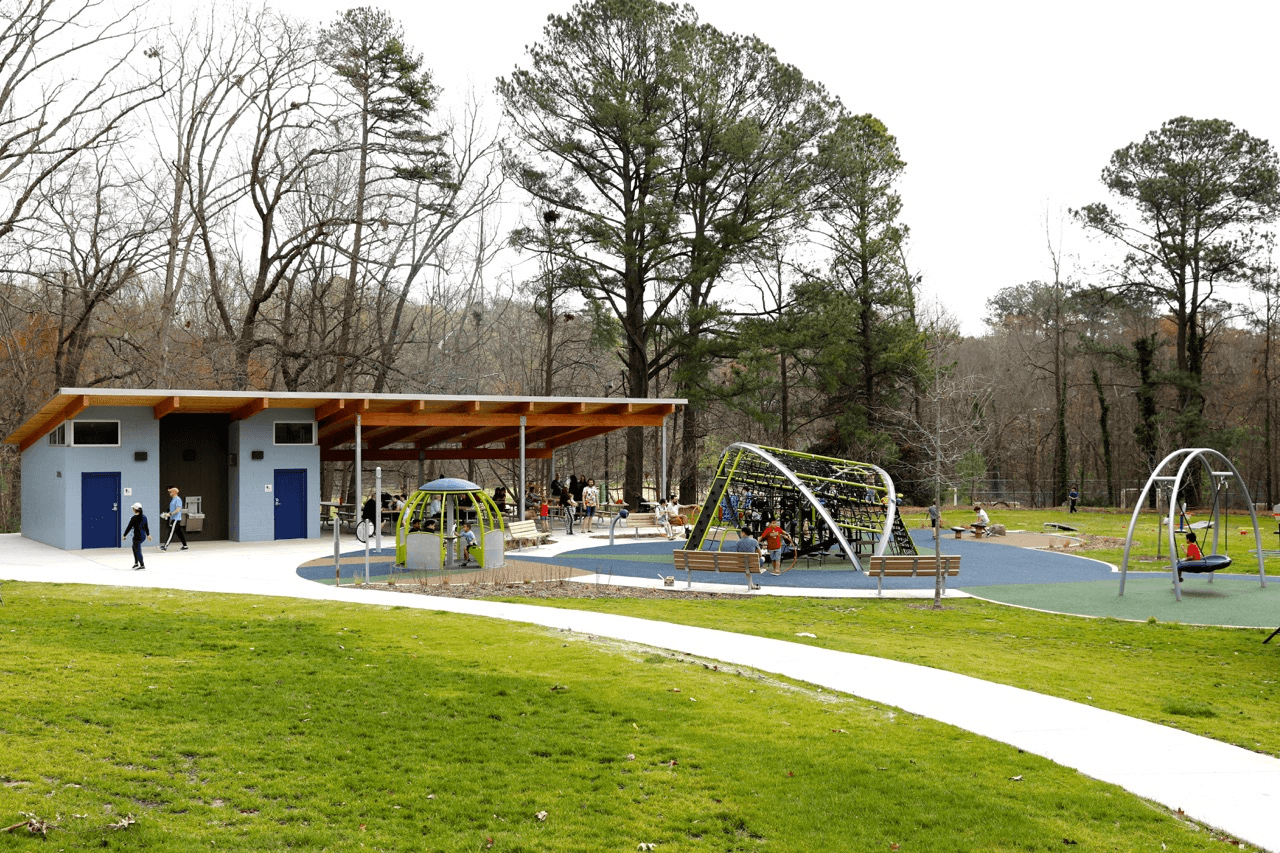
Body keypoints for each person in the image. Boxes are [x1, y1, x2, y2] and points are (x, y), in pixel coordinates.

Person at [122, 501, 151, 570]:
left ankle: (142, 564)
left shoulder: (134, 518)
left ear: (134, 509)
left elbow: (129, 527)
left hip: (137, 536)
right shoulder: (144, 517)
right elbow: (146, 527)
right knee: (134, 547)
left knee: (137, 549)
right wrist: (148, 535)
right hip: (143, 536)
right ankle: (136, 563)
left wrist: (124, 535)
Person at [161, 486, 188, 551]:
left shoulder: (178, 499)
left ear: (174, 492)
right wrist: (166, 515)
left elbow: (178, 510)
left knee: (171, 532)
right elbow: (172, 510)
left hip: (176, 519)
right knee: (179, 533)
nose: (169, 493)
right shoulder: (173, 500)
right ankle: (185, 546)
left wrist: (169, 514)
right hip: (173, 518)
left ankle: (165, 546)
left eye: (170, 492)